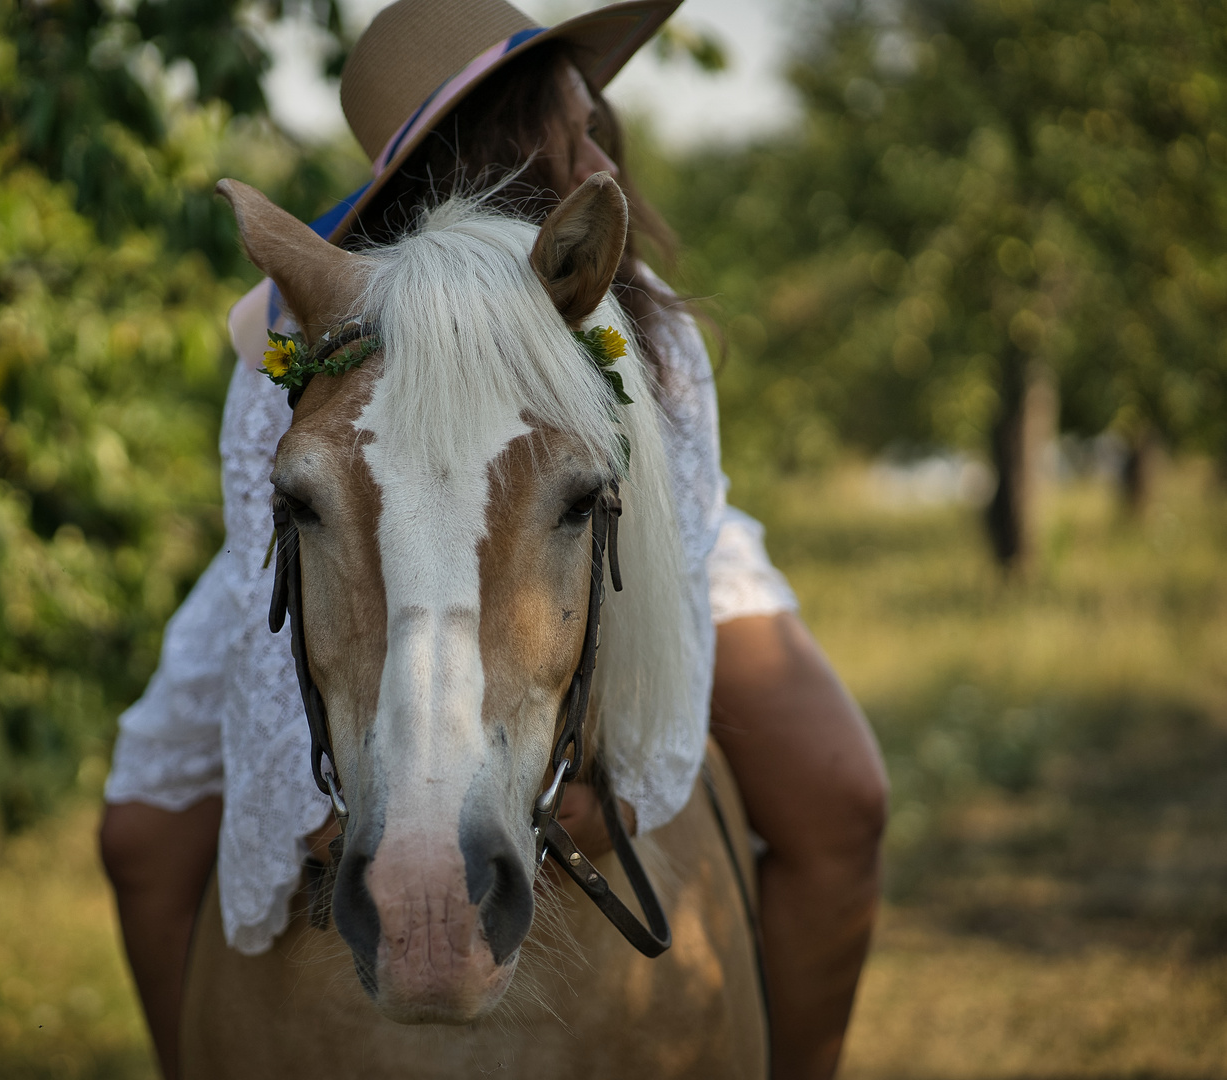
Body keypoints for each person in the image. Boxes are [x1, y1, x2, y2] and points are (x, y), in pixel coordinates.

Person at [98, 2, 888, 1078]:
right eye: (574, 112)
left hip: (634, 528)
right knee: (141, 835)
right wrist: (315, 800)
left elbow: (674, 544)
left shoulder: (637, 318)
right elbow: (274, 536)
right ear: (504, 133)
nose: (600, 135)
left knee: (842, 794)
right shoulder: (307, 327)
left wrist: (623, 781)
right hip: (347, 539)